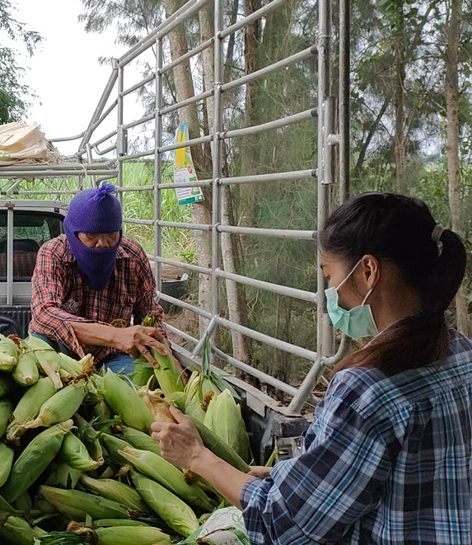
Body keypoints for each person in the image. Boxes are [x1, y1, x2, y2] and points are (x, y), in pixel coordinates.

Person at [152, 192, 472, 544]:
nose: (329, 290)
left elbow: (284, 526)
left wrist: (197, 457)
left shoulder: (366, 389)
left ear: (367, 271)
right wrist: (281, 475)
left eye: (329, 274)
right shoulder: (462, 352)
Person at [29, 182, 174, 374]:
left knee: (138, 383)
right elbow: (44, 314)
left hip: (111, 355)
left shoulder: (133, 256)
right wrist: (115, 335)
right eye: (91, 235)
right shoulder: (53, 253)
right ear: (73, 234)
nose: (103, 244)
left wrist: (172, 363)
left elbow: (149, 315)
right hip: (58, 348)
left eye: (111, 235)